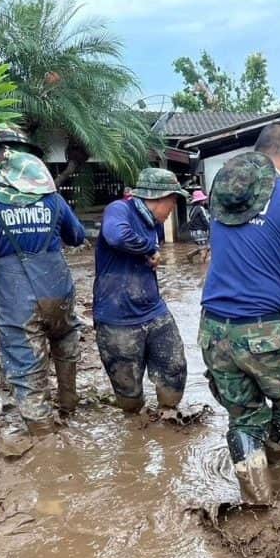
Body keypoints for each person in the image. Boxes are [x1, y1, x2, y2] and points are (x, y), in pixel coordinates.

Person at [199, 122, 280, 504]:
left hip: (213, 330)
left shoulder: (223, 196)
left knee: (244, 417)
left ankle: (258, 502)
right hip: (264, 331)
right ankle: (277, 466)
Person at [0, 123, 85, 436]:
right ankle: (70, 412)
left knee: (27, 372)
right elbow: (77, 236)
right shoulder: (53, 200)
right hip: (60, 294)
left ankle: (45, 447)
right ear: (30, 160)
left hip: (18, 305)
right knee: (66, 351)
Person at [94, 168, 189, 414]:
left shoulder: (154, 225)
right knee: (130, 400)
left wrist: (151, 254)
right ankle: (136, 430)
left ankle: (167, 427)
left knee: (174, 371)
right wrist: (148, 249)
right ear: (158, 197)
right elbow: (116, 236)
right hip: (118, 319)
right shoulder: (120, 210)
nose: (173, 209)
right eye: (173, 201)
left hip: (154, 311)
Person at [186, 189, 211, 261]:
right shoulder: (201, 208)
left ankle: (190, 254)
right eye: (203, 200)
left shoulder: (192, 209)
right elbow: (205, 220)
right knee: (204, 251)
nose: (204, 201)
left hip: (193, 232)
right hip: (200, 232)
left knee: (203, 247)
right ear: (200, 201)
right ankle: (202, 268)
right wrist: (211, 228)